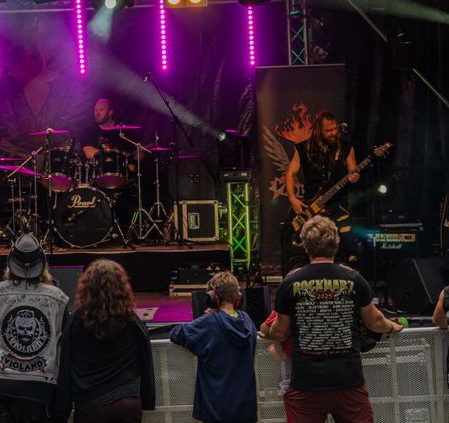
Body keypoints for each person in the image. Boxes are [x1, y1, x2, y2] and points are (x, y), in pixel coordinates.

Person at [264, 215, 404, 423]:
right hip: (348, 380)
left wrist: (266, 331)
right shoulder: (354, 279)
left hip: (306, 383)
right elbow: (375, 322)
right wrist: (393, 326)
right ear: (336, 245)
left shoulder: (291, 282)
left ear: (305, 247)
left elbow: (280, 332)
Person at [53, 259, 155, 423]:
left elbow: (65, 363)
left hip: (90, 405)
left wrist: (61, 410)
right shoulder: (131, 320)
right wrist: (147, 399)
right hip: (126, 402)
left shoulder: (77, 321)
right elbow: (145, 359)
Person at [0, 234, 69, 423]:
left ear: (10, 264)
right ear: (43, 265)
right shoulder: (58, 298)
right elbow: (65, 347)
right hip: (39, 389)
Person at [169, 271, 257, 423]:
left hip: (216, 408)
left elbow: (176, 333)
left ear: (213, 298)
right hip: (245, 408)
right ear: (237, 296)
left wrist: (207, 317)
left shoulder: (209, 323)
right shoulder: (247, 321)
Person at [285, 112, 359, 261]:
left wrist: (354, 176)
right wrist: (292, 199)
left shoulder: (346, 147)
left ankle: (347, 268)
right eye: (329, 130)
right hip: (311, 207)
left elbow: (354, 171)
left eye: (335, 129)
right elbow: (290, 173)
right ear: (318, 130)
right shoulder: (303, 148)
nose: (334, 133)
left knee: (347, 242)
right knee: (313, 245)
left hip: (338, 205)